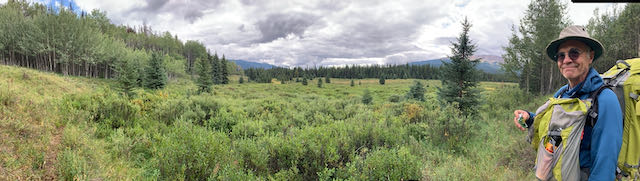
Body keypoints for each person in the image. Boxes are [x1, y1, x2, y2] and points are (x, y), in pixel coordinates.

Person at [512, 25, 623, 180]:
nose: (567, 60)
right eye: (561, 56)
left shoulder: (605, 99)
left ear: (590, 57)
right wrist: (529, 118)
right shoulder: (562, 93)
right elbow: (555, 125)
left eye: (574, 53)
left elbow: (604, 165)